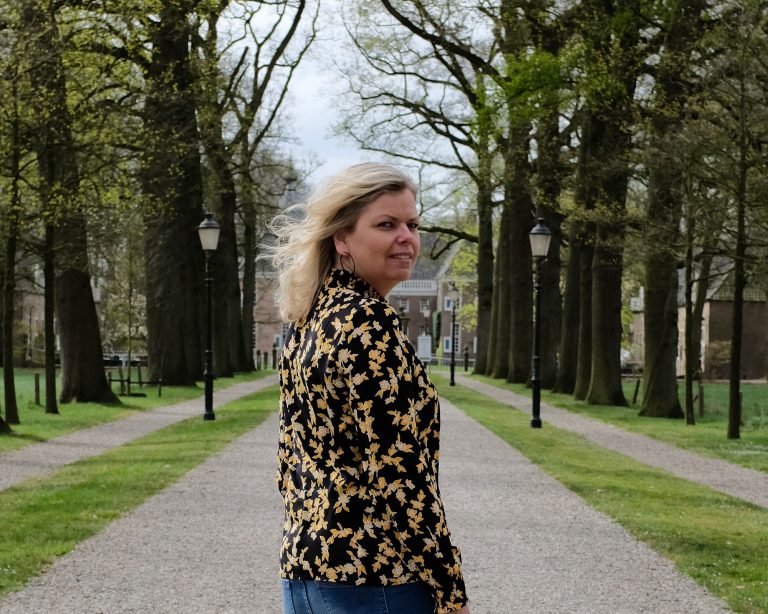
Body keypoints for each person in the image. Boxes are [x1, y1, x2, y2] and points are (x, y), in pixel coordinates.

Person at [271, 163, 470, 614]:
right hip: (377, 576)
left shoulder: (310, 318)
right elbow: (401, 476)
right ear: (342, 238)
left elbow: (288, 461)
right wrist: (450, 588)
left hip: (306, 565)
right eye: (386, 224)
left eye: (412, 225)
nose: (407, 237)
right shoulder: (368, 321)